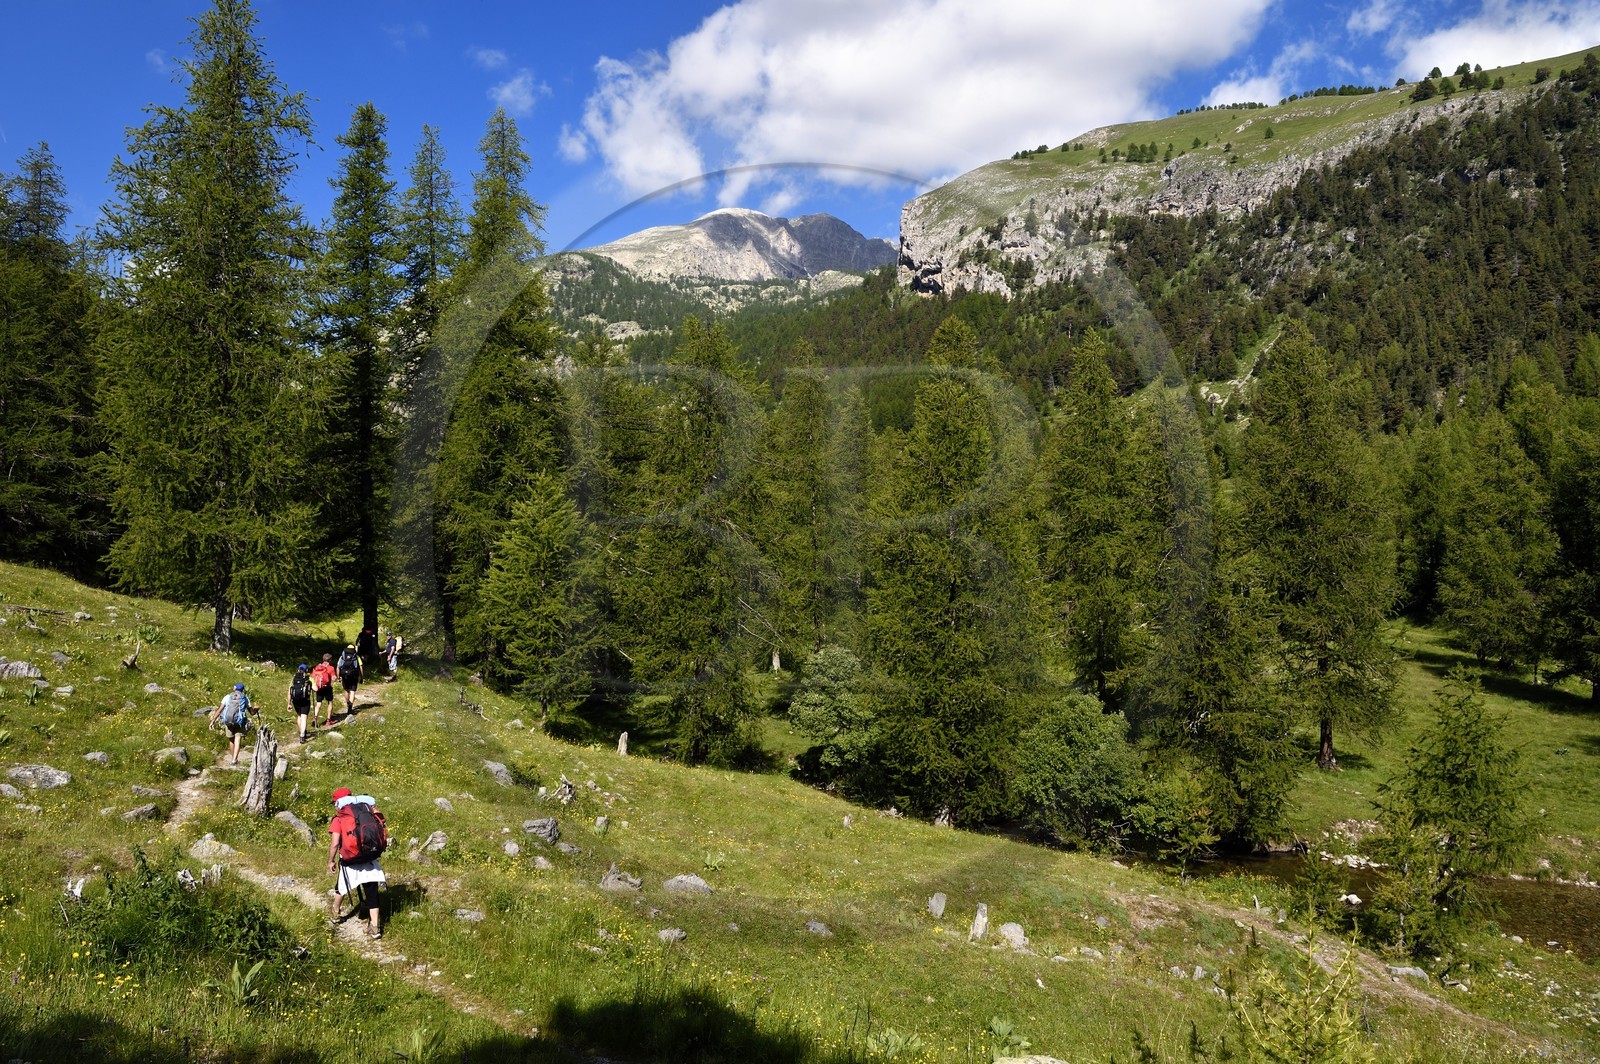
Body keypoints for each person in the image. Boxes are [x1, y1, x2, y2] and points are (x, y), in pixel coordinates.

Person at [326, 786, 386, 939]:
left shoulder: (339, 819)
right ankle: (375, 927)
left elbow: (334, 844)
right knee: (372, 892)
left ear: (338, 802)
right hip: (369, 857)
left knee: (341, 887)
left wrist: (331, 861)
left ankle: (336, 913)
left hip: (350, 860)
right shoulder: (368, 812)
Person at [208, 682, 257, 765]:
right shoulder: (245, 698)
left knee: (231, 740)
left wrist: (212, 721)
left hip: (228, 720)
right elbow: (252, 713)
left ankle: (233, 758)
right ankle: (234, 760)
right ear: (243, 690)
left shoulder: (227, 697)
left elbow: (219, 710)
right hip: (239, 721)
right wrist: (256, 709)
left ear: (234, 688)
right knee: (238, 738)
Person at [286, 663, 313, 741]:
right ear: (306, 670)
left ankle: (301, 731)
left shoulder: (294, 678)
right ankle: (302, 735)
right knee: (304, 717)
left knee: (299, 715)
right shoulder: (309, 679)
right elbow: (315, 688)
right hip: (305, 700)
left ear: (298, 670)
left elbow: (290, 691)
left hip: (295, 700)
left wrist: (289, 703)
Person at [336, 643, 364, 717]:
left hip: (345, 676)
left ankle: (348, 703)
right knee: (352, 691)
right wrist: (362, 677)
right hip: (354, 676)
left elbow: (338, 667)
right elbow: (361, 667)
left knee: (346, 690)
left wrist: (338, 677)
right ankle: (350, 707)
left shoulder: (342, 656)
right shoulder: (356, 656)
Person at [311, 653, 339, 727]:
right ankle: (328, 721)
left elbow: (312, 677)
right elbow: (334, 678)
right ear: (330, 660)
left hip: (319, 688)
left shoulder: (317, 667)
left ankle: (315, 718)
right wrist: (336, 678)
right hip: (327, 688)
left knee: (318, 703)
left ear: (323, 659)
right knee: (330, 702)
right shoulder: (331, 668)